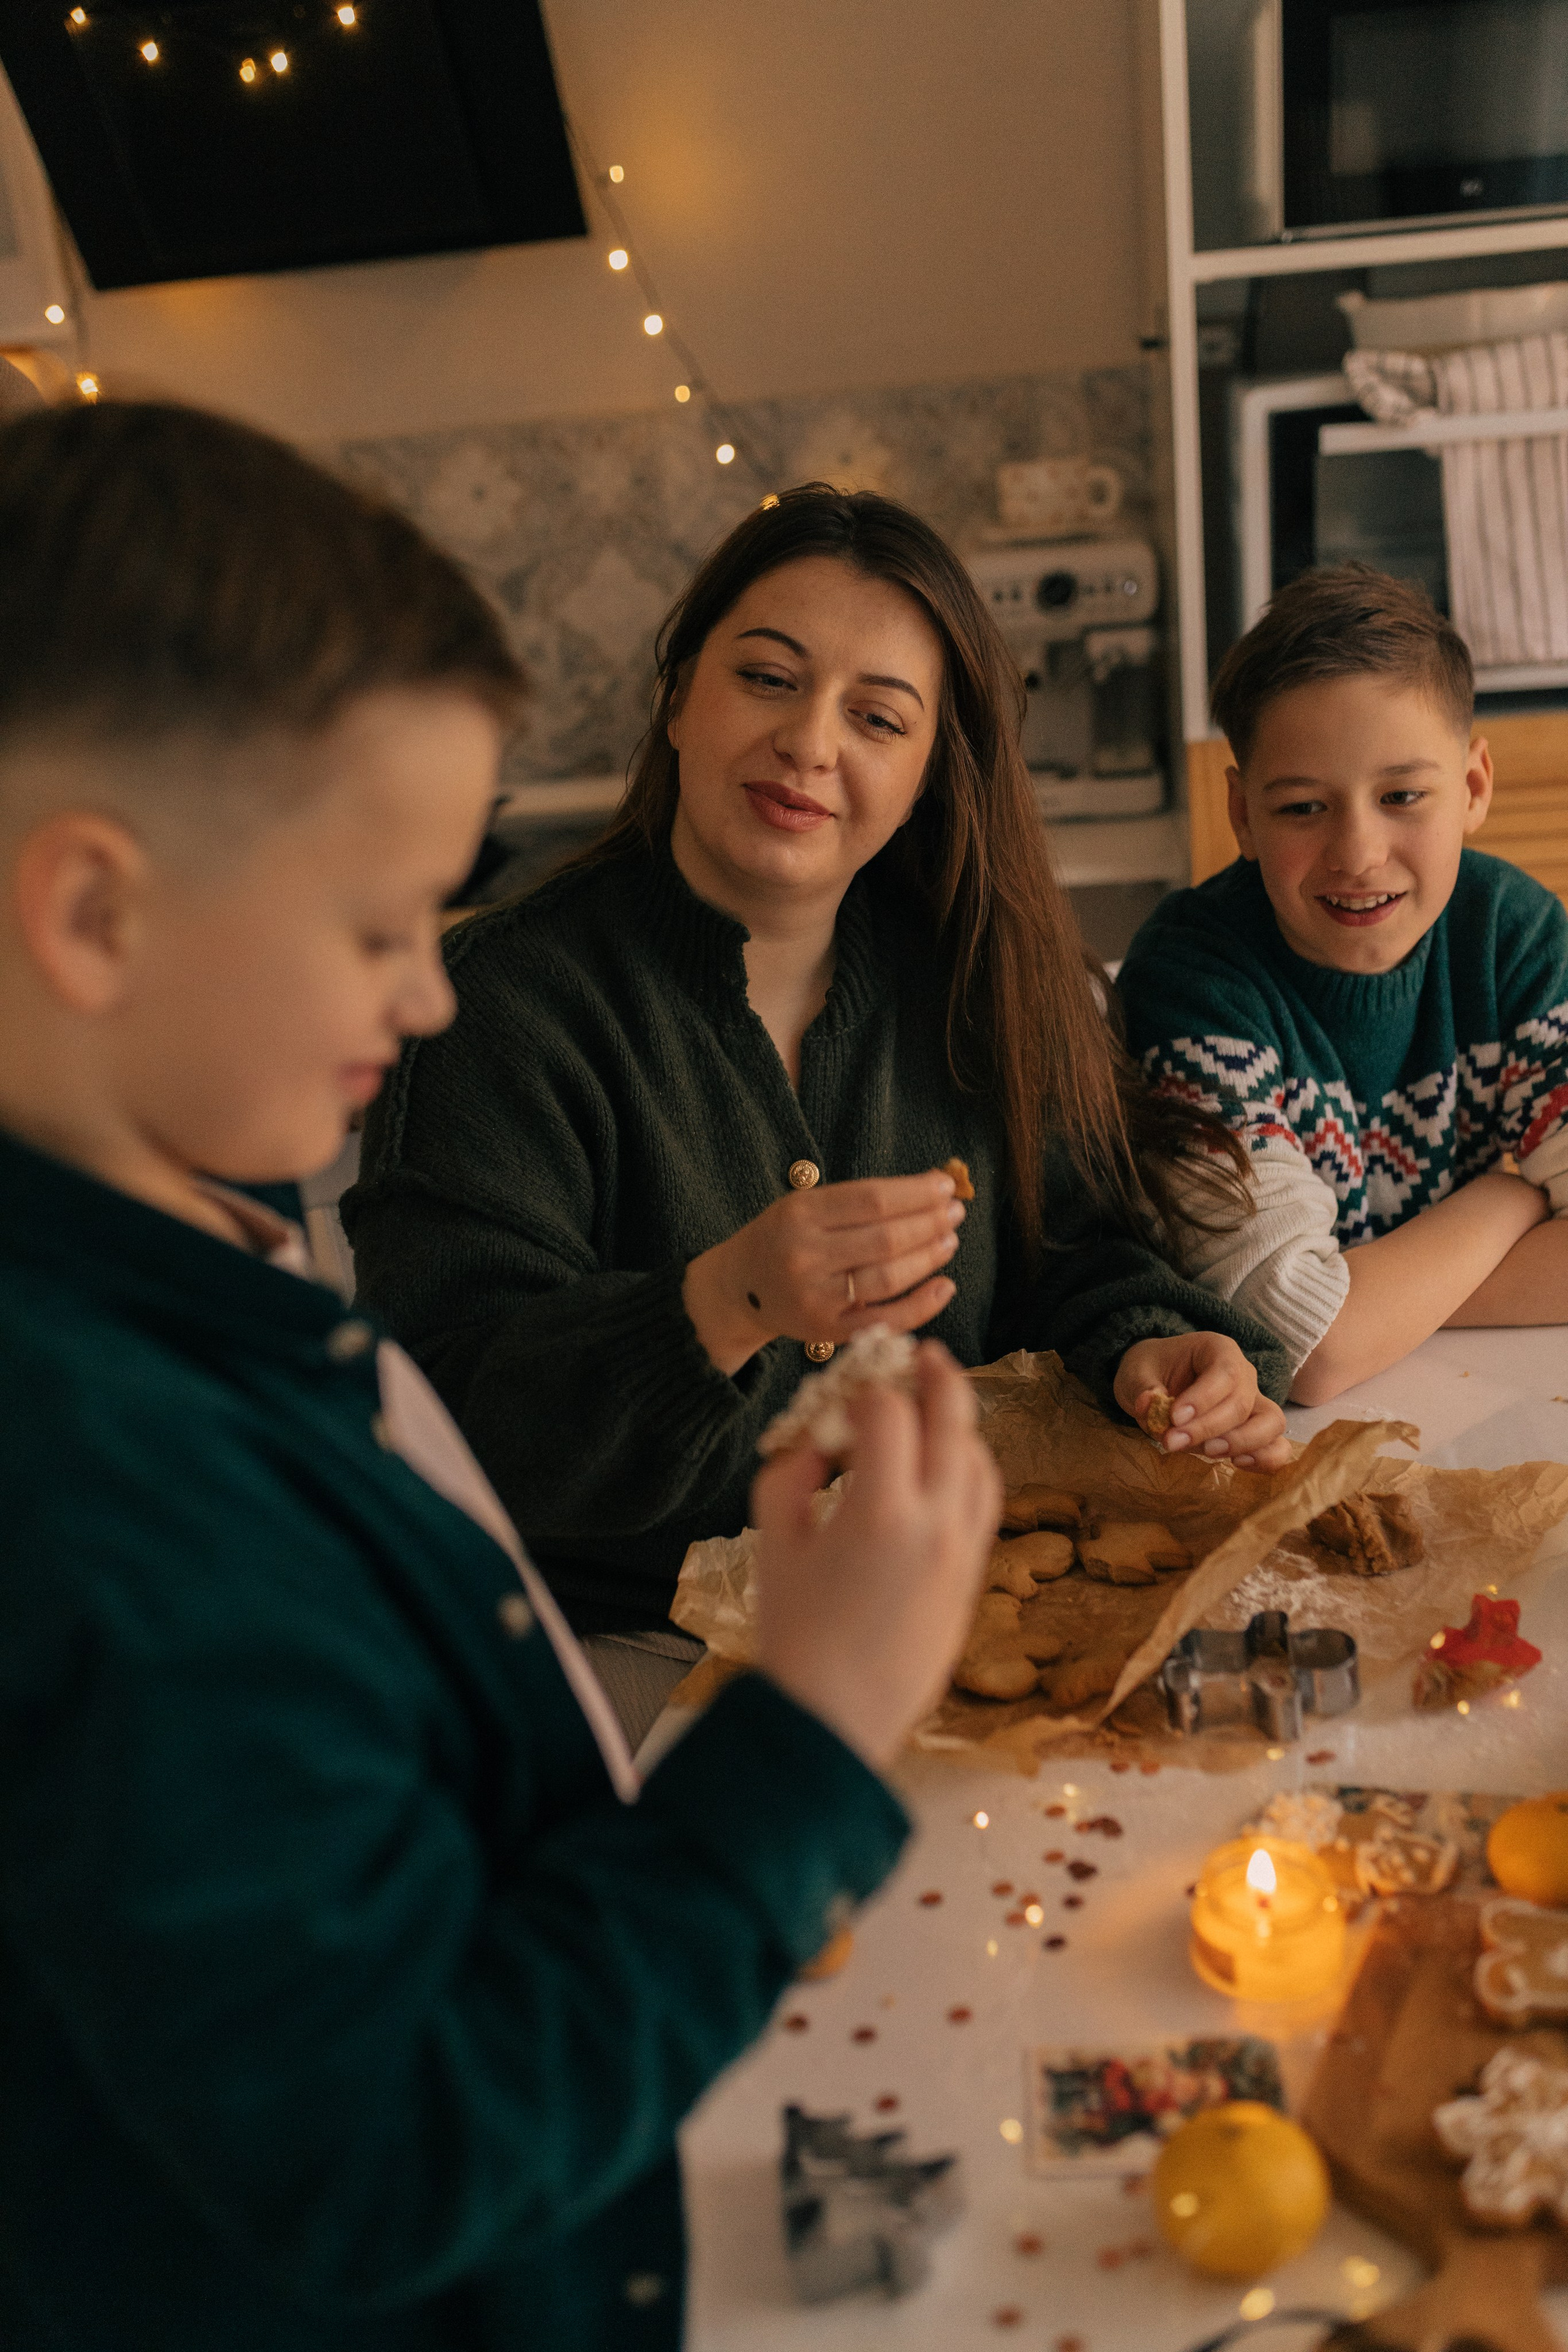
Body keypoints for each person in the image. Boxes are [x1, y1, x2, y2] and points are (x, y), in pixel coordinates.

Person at [0, 400, 1005, 2351]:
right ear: (95, 913)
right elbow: (394, 2143)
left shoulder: (195, 1260)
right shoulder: (94, 1477)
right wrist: (812, 1717)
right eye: (378, 924)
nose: (432, 988)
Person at [344, 484, 1292, 1733]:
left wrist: (1147, 1344)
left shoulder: (969, 978)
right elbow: (445, 1417)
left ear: (923, 775)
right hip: (613, 1669)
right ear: (680, 696)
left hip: (938, 1640)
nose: (809, 743)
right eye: (767, 678)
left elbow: (1066, 1255)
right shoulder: (503, 1001)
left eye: (877, 717)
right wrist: (722, 1304)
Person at [1117, 565, 1568, 1406]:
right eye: (1302, 808)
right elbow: (1303, 1347)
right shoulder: (1192, 982)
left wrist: (1376, 1309)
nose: (1358, 853)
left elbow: (1332, 1331)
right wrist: (1507, 1198)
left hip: (1454, 1405)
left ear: (1473, 788)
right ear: (1243, 814)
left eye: (1402, 795)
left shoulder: (1513, 937)